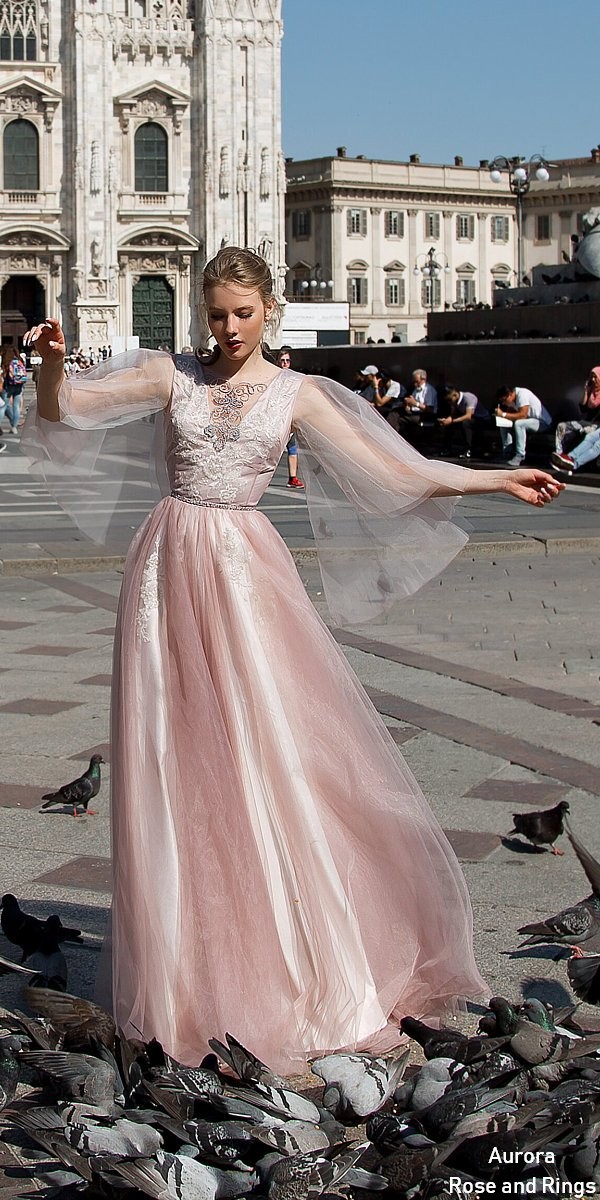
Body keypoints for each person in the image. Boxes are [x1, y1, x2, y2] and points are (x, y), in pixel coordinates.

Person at [23, 246, 564, 1075]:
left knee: (269, 749)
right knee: (175, 759)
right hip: (168, 568)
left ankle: (294, 948)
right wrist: (53, 368)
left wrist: (495, 482)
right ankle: (184, 966)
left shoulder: (299, 392)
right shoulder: (173, 377)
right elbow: (66, 415)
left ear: (270, 310)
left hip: (246, 574)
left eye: (243, 314)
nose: (229, 329)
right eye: (216, 315)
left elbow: (397, 471)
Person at [494, 385, 552, 467]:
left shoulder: (522, 394)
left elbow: (523, 415)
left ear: (510, 394)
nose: (504, 403)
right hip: (529, 422)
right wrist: (502, 417)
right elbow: (510, 415)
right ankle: (506, 453)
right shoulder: (511, 401)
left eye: (504, 400)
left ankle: (520, 455)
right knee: (504, 424)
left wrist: (503, 414)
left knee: (519, 423)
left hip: (542, 422)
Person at [552, 367, 600, 462]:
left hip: (597, 426)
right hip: (586, 422)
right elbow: (582, 408)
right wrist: (586, 391)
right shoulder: (591, 393)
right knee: (562, 426)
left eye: (595, 377)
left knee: (589, 435)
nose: (593, 380)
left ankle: (574, 459)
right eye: (592, 377)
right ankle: (559, 454)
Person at [277, 346, 304, 488]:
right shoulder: (274, 378)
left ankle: (292, 477)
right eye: (282, 360)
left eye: (287, 361)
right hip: (276, 419)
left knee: (292, 448)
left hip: (289, 417)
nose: (285, 364)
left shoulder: (294, 379)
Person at [438, 386, 490, 459]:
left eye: (449, 400)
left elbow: (468, 416)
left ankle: (468, 449)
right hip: (469, 417)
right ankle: (447, 449)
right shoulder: (454, 402)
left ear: (455, 395)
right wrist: (447, 420)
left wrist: (452, 421)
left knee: (465, 423)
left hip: (481, 418)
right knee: (449, 426)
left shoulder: (468, 398)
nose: (449, 402)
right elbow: (452, 414)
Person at [0, 344, 27, 434]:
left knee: (3, 406)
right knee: (16, 406)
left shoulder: (7, 360)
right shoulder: (20, 360)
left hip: (9, 385)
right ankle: (14, 426)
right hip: (19, 386)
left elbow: (3, 374)